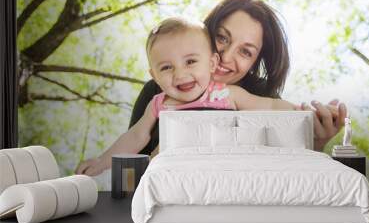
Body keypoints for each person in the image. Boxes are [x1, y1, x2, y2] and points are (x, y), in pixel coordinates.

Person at [127, 0, 347, 158]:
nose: (225, 57)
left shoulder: (262, 98)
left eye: (245, 51)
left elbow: (287, 165)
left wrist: (316, 141)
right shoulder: (157, 92)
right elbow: (131, 171)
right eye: (222, 38)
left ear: (255, 62)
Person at [76, 17, 296, 176]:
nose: (180, 74)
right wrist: (102, 161)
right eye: (166, 68)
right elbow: (135, 137)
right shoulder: (158, 103)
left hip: (218, 173)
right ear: (154, 76)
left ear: (211, 63)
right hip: (172, 179)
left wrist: (302, 111)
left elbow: (269, 106)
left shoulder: (224, 94)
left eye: (190, 62)